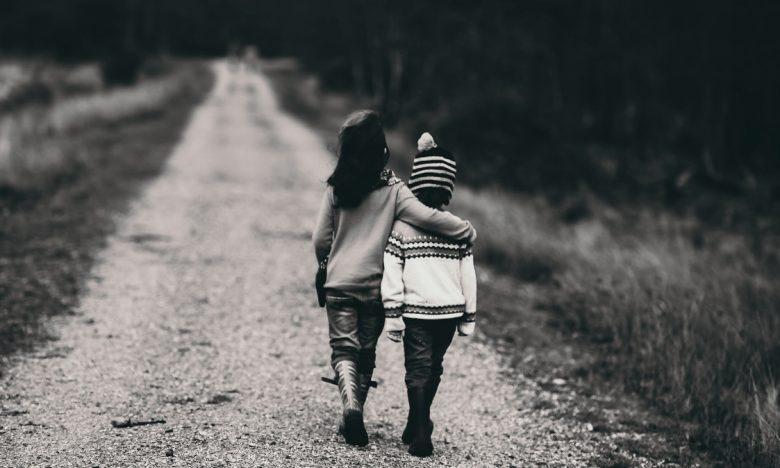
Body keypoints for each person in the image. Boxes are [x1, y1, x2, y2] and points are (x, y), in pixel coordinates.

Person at [312, 112, 477, 447]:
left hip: (339, 284)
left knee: (343, 348)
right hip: (374, 288)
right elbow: (428, 217)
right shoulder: (395, 191)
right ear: (381, 150)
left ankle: (351, 406)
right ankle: (357, 406)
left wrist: (326, 264)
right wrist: (465, 230)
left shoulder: (336, 189)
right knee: (366, 353)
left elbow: (319, 239)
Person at [381, 132, 477, 457]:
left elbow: (392, 271)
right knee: (434, 367)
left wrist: (392, 314)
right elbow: (469, 275)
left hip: (417, 312)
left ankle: (420, 429)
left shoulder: (402, 228)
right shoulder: (457, 229)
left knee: (418, 368)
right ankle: (417, 421)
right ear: (448, 188)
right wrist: (469, 316)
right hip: (449, 313)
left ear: (415, 183)